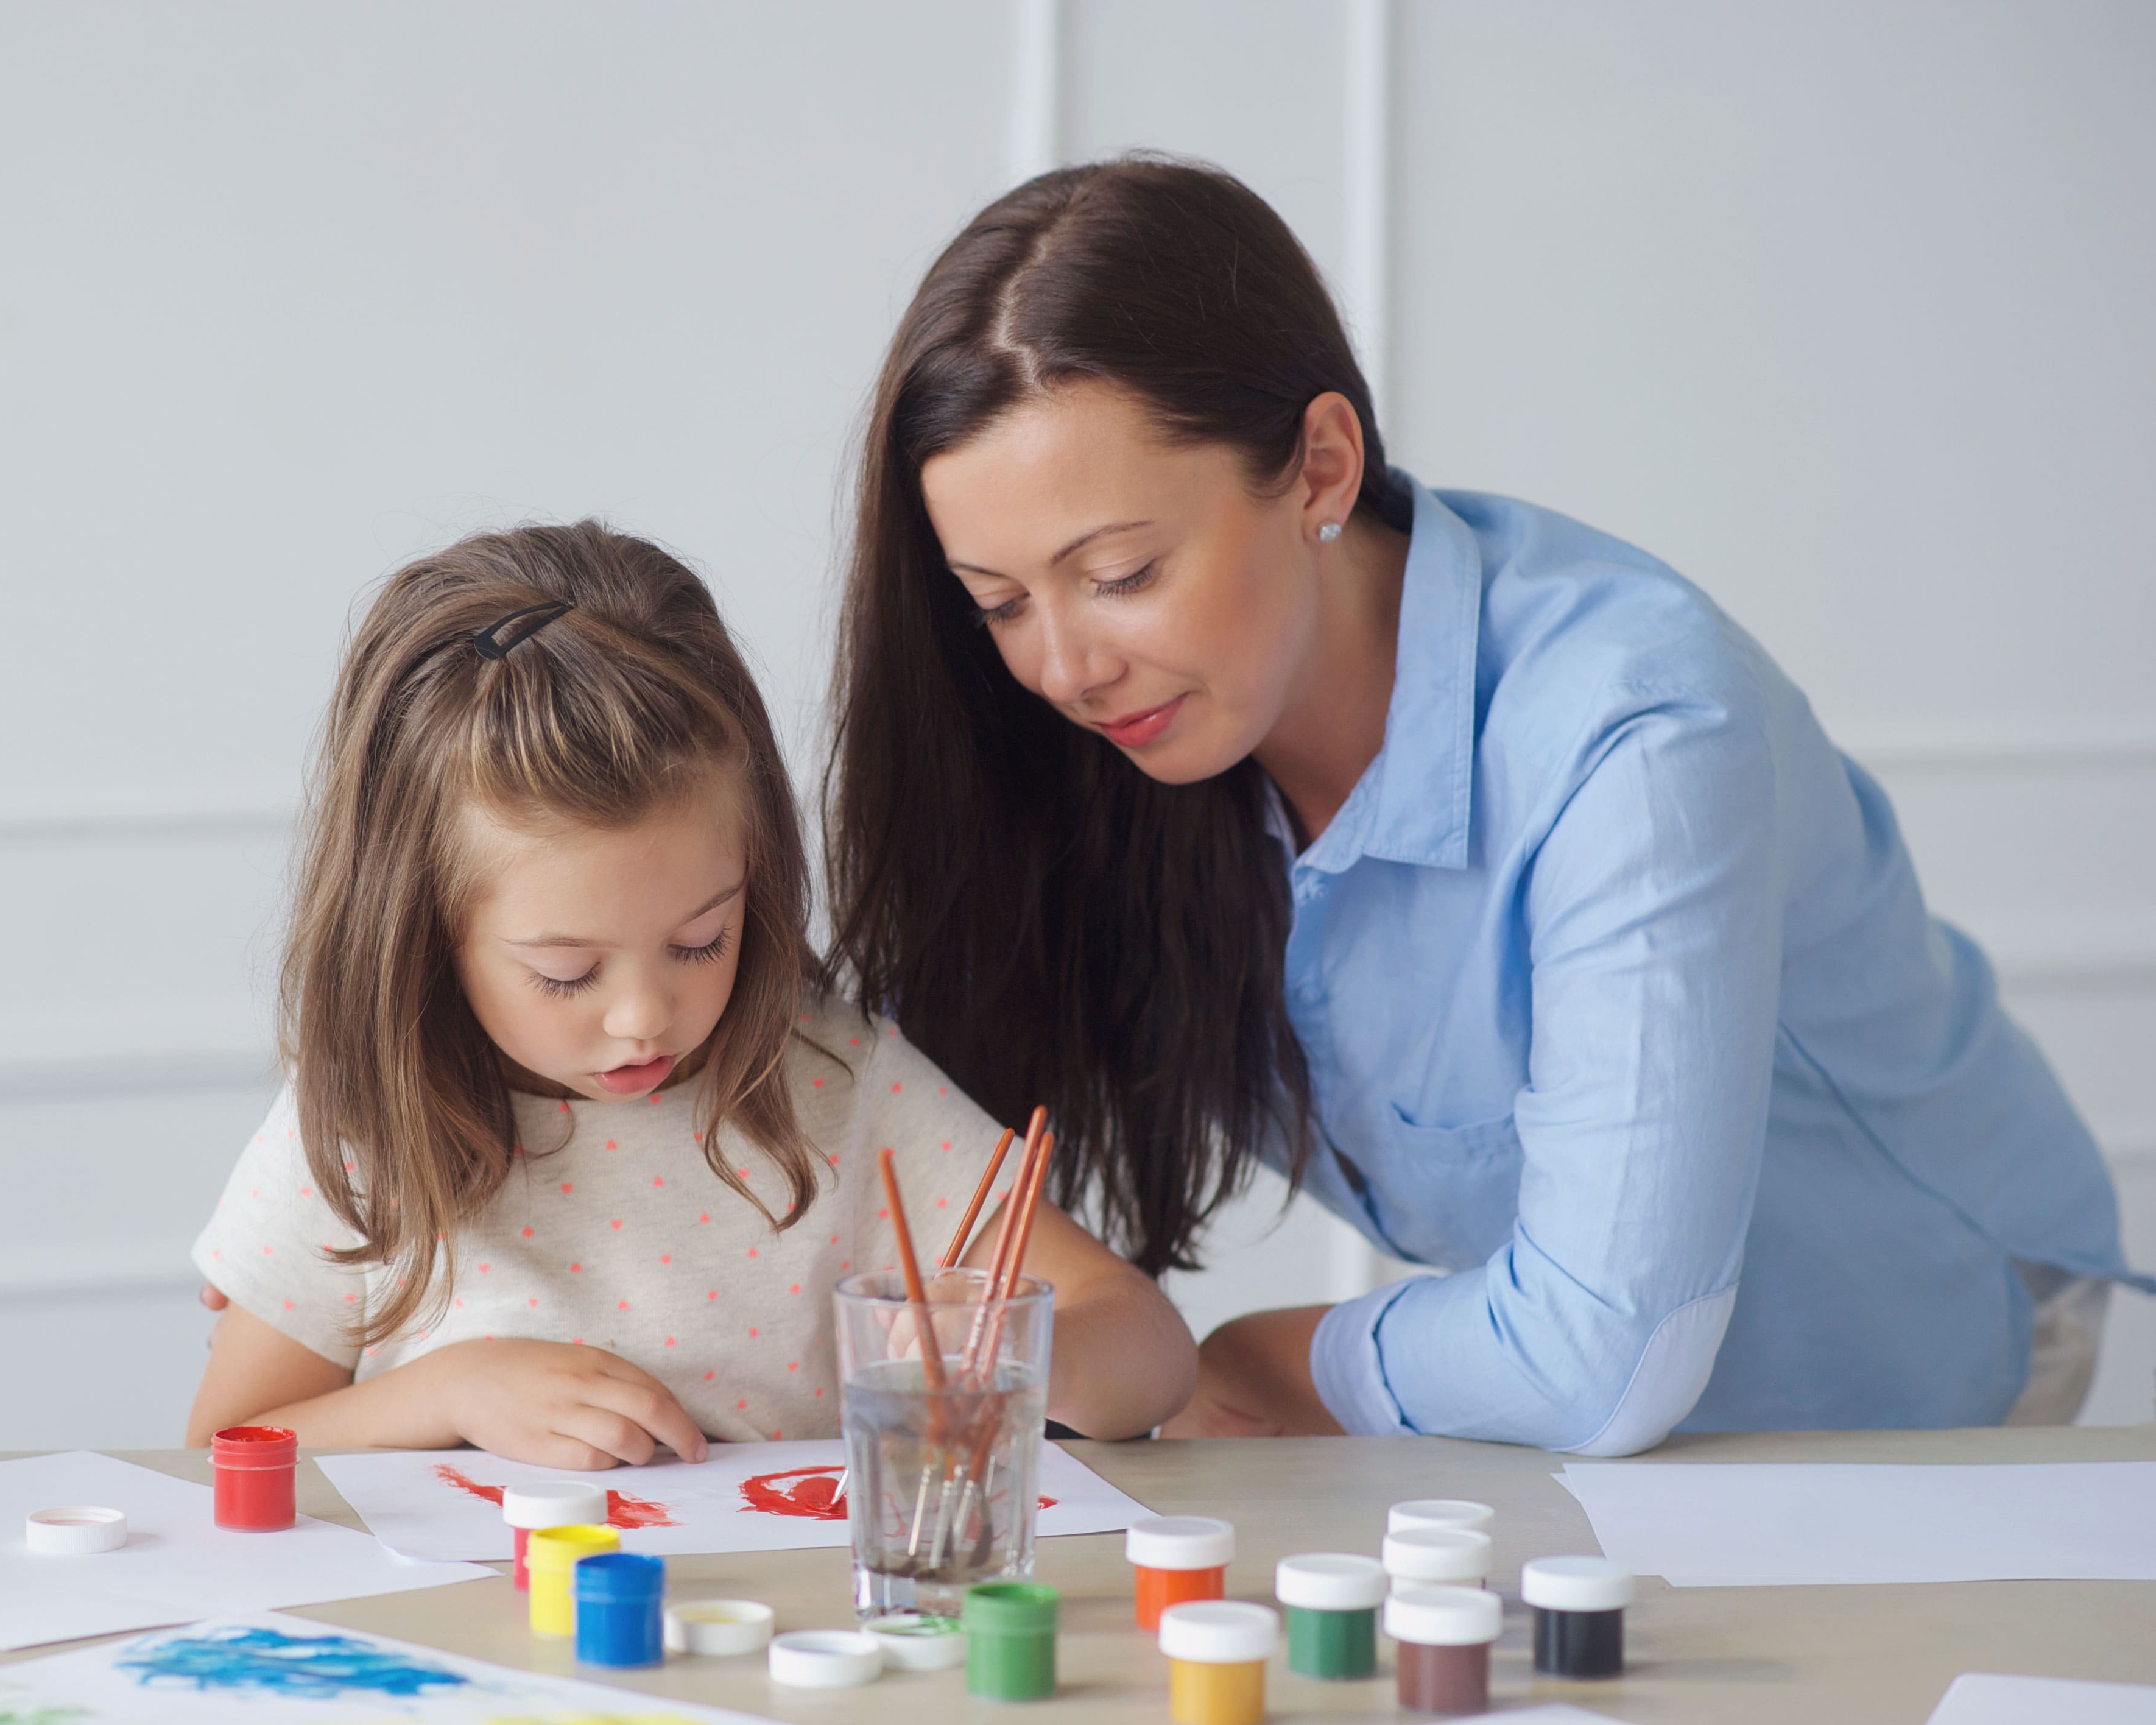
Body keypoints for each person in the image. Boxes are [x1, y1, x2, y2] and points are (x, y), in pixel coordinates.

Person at [823, 156, 2144, 1454]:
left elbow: (1602, 1356)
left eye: (1118, 572)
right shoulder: (1124, 752)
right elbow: (867, 1116)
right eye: (999, 602)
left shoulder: (1632, 733)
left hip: (1916, 1365)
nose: (1063, 668)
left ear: (1322, 469)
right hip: (1602, 1435)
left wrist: (1271, 1360)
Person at [185, 521, 1193, 1466]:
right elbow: (224, 1453)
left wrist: (1027, 1351)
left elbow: (1148, 1345)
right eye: (567, 973)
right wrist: (447, 1394)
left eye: (702, 940)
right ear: (423, 938)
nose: (643, 1017)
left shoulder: (832, 1083)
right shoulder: (363, 1127)